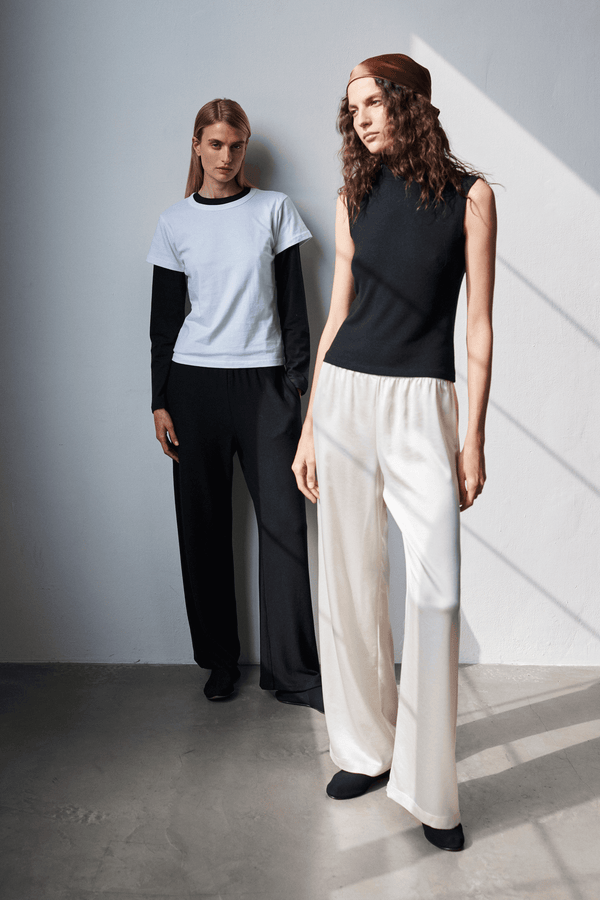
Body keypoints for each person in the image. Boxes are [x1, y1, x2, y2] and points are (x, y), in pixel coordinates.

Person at [292, 55, 496, 850]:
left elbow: (476, 328)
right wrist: (311, 423)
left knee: (436, 594)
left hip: (422, 406)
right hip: (345, 396)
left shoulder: (470, 197)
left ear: (411, 103)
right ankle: (365, 748)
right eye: (354, 108)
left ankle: (430, 791)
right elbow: (337, 314)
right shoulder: (354, 197)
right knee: (346, 580)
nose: (363, 119)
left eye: (375, 102)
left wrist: (471, 434)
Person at [147, 98, 322, 712]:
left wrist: (299, 391)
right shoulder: (174, 222)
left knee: (283, 527)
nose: (226, 157)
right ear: (196, 145)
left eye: (236, 145)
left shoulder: (274, 210)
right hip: (193, 388)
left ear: (245, 147)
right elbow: (164, 320)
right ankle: (220, 662)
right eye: (215, 145)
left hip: (266, 386)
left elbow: (296, 309)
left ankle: (293, 671)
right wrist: (159, 399)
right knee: (203, 528)